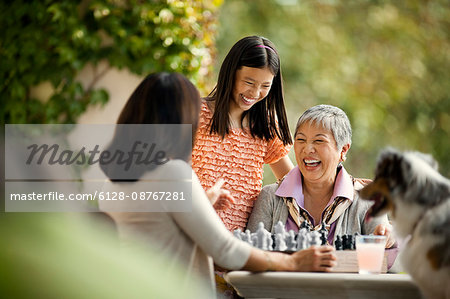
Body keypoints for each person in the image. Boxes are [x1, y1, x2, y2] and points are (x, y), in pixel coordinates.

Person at [99, 73, 337, 298]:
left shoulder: (114, 181)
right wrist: (293, 263)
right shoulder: (173, 173)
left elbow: (157, 228)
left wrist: (202, 202)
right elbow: (225, 250)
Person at [247, 105, 397, 251]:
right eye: (301, 140)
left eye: (319, 141)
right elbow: (248, 256)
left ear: (343, 150)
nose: (307, 149)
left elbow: (382, 255)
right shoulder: (270, 197)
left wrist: (389, 239)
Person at [192, 36, 294, 232]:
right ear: (231, 74)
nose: (255, 93)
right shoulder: (195, 113)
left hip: (239, 244)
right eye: (249, 82)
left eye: (265, 86)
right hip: (194, 234)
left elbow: (291, 182)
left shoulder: (265, 127)